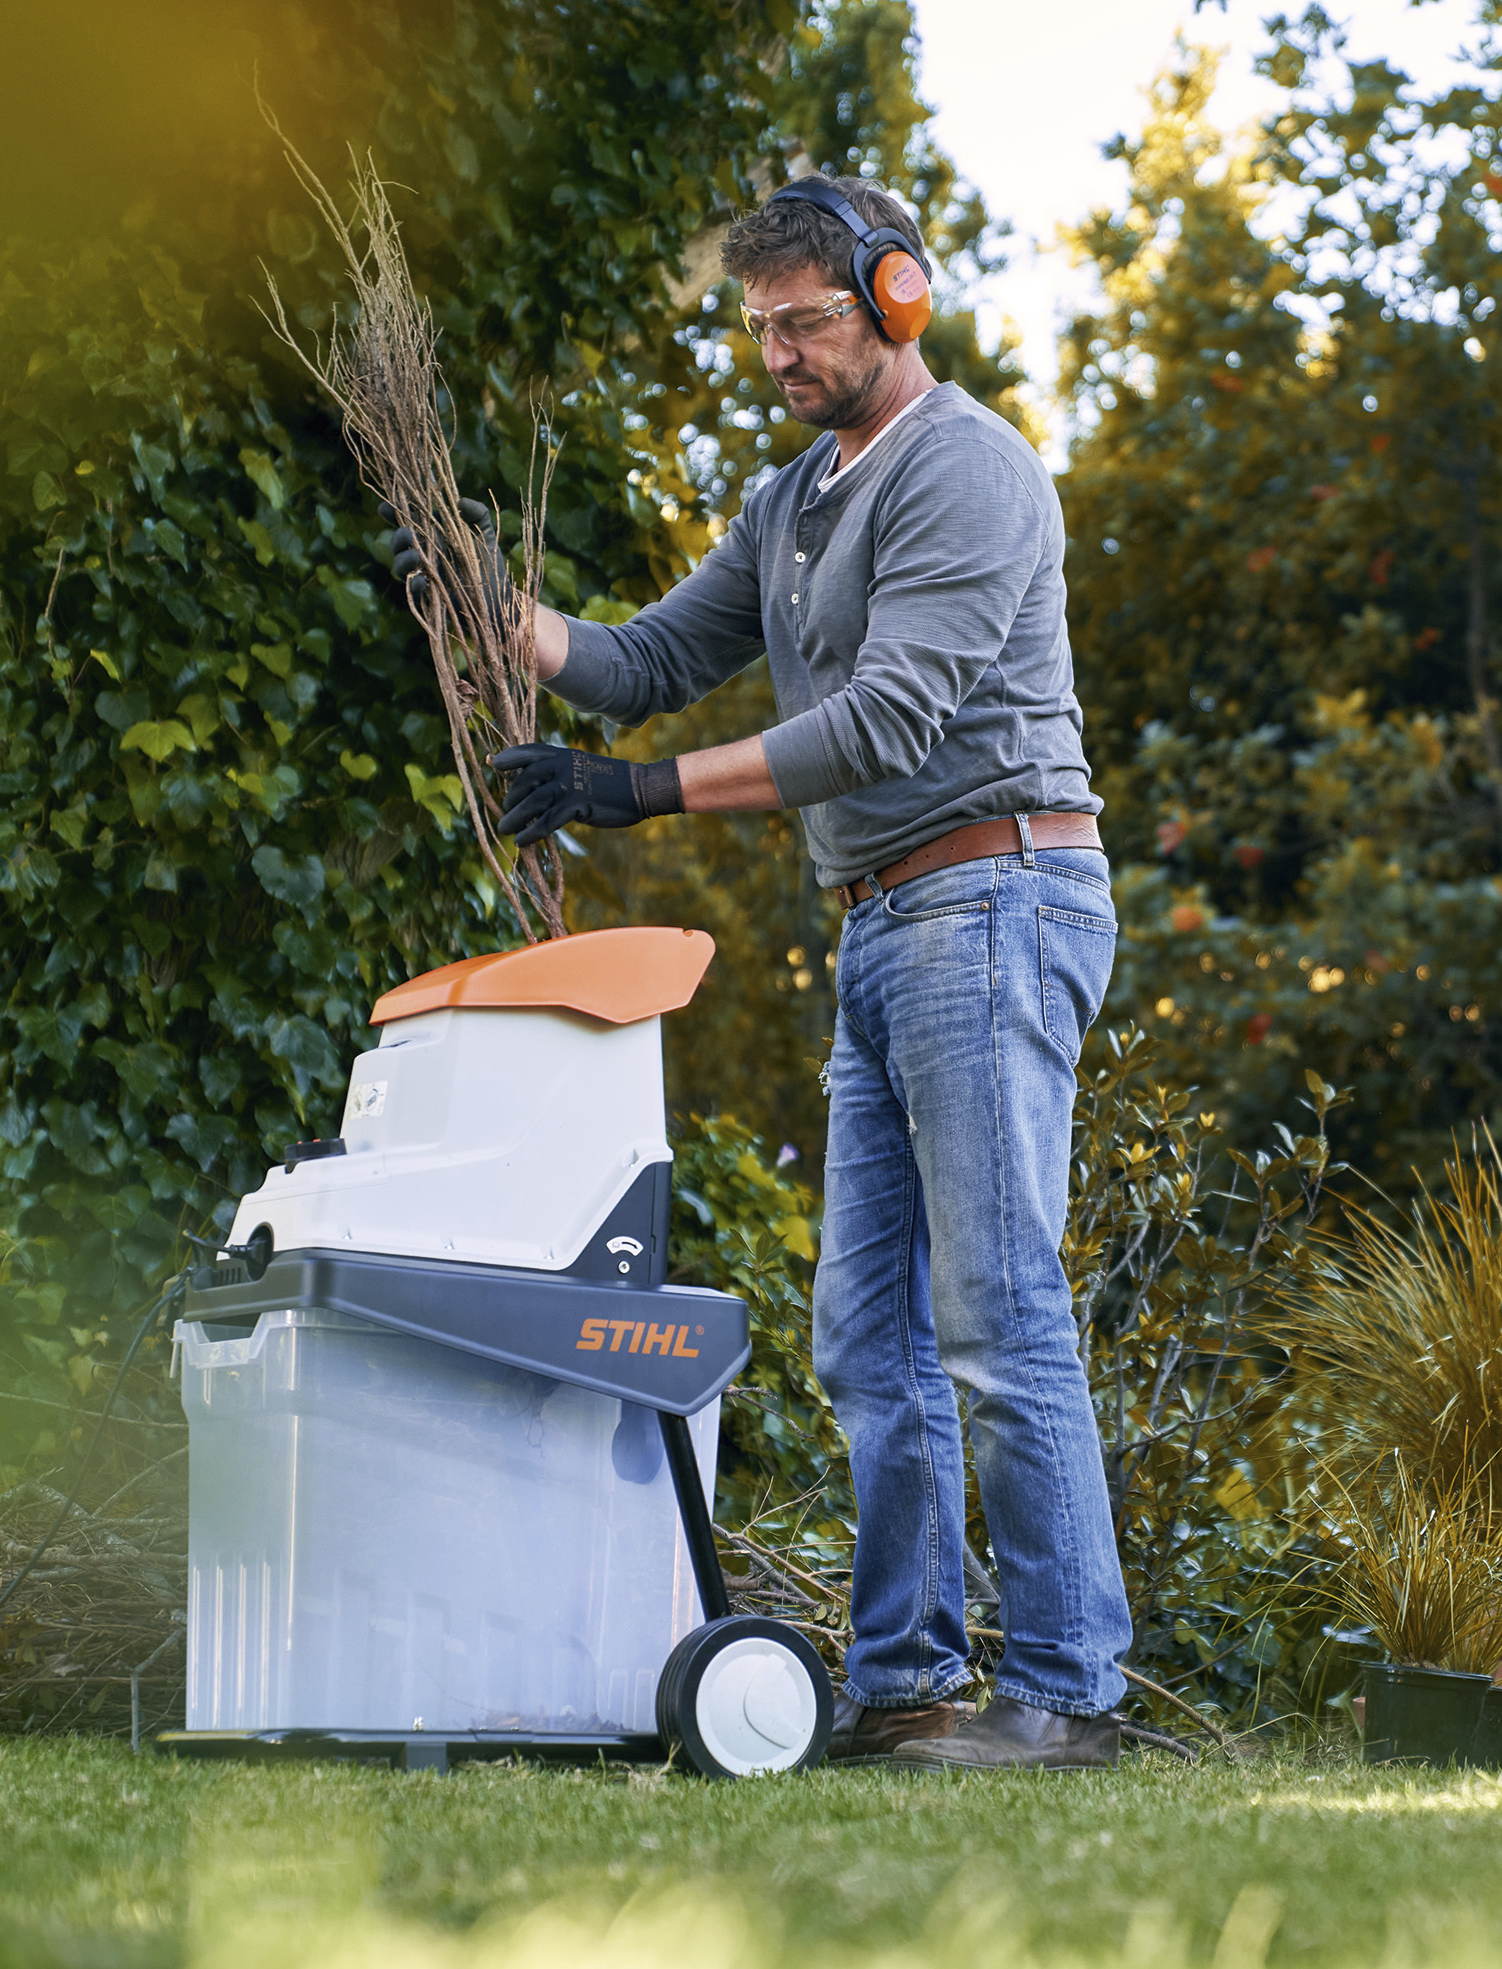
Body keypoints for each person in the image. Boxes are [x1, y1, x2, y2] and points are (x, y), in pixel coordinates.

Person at [393, 175, 1128, 1770]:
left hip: (994, 892)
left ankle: (1066, 1696)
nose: (781, 352)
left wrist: (632, 792)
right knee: (866, 1333)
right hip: (881, 918)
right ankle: (910, 1684)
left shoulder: (967, 474)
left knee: (995, 1315)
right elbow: (644, 656)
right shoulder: (795, 500)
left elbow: (883, 723)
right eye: (760, 327)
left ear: (896, 294)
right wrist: (479, 593)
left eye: (806, 319)